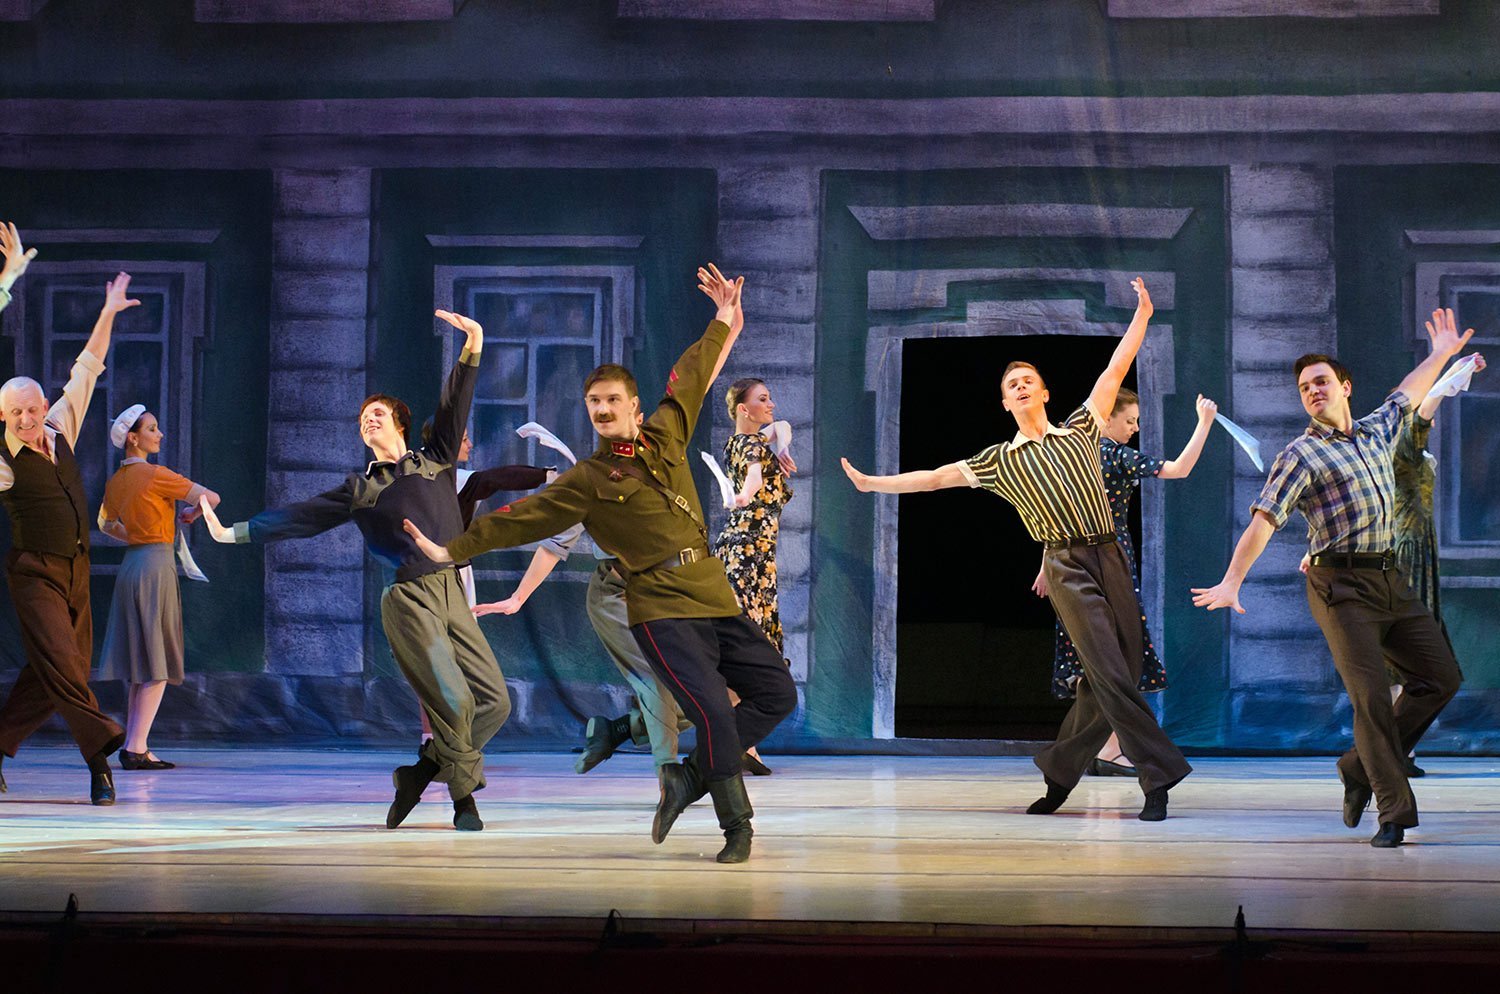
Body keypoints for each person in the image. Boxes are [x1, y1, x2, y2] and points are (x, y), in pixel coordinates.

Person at [403, 264, 797, 863]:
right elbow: (520, 519)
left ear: (635, 406)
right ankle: (736, 826)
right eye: (594, 403)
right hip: (660, 608)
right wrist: (449, 549)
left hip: (712, 594)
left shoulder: (667, 433)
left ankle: (688, 778)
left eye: (613, 400)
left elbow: (694, 373)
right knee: (714, 710)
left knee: (776, 693)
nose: (603, 410)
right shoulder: (588, 480)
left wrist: (723, 318)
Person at [843, 278, 1193, 822]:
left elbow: (1114, 369)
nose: (1022, 386)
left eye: (1030, 380)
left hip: (1111, 555)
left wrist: (1142, 316)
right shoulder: (999, 461)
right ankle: (1158, 776)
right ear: (1005, 402)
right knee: (1109, 670)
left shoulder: (1081, 430)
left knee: (1117, 671)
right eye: (1013, 384)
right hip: (1066, 565)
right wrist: (873, 484)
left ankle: (1059, 772)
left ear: (1046, 393)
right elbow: (933, 478)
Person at [200, 310, 510, 832]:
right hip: (408, 599)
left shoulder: (436, 458)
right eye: (363, 417)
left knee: (495, 702)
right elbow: (299, 518)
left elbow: (454, 402)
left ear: (400, 423)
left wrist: (474, 343)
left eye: (377, 413)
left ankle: (419, 774)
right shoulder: (360, 488)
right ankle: (464, 802)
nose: (368, 420)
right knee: (455, 702)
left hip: (452, 589)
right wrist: (234, 532)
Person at [1192, 311, 1473, 848]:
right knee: (1371, 698)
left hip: (1389, 578)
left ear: (1345, 387)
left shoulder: (1377, 430)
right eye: (1304, 388)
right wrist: (1232, 581)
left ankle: (1356, 767)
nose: (1312, 391)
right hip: (1339, 588)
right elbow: (1263, 521)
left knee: (1441, 679)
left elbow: (1408, 393)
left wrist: (1441, 354)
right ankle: (1393, 813)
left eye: (1321, 381)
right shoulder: (1300, 454)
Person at [1297, 352, 1486, 779]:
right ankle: (1390, 758)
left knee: (1420, 662)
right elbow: (1427, 403)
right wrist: (1454, 371)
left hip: (1418, 548)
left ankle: (1391, 753)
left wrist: (1453, 368)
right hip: (1397, 551)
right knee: (1390, 661)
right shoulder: (1399, 446)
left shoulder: (1402, 449)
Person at [0, 237, 136, 805]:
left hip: (76, 569)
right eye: (15, 413)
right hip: (34, 572)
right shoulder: (3, 459)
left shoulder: (59, 428)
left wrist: (107, 313)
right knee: (66, 667)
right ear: (2, 416)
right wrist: (4, 283)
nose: (28, 419)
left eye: (32, 408)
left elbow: (87, 368)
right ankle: (100, 759)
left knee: (54, 670)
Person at [1033, 389, 1218, 777]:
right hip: (1108, 561)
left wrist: (1047, 563)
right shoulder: (1114, 454)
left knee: (1095, 657)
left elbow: (1055, 512)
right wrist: (1204, 424)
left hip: (1068, 562)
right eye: (1130, 421)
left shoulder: (1072, 454)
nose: (1134, 428)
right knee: (1117, 657)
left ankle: (1101, 749)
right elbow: (1179, 469)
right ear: (1107, 419)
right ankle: (1108, 750)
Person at [96, 405, 221, 770]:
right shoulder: (156, 474)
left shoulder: (116, 480)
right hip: (154, 565)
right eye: (152, 429)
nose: (159, 434)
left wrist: (136, 536)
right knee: (157, 662)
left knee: (142, 662)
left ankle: (136, 745)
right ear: (134, 438)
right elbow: (211, 497)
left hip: (132, 565)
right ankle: (136, 747)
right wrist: (191, 514)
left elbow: (105, 524)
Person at [411, 418, 549, 751]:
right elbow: (495, 479)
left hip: (437, 575)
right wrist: (548, 475)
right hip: (441, 578)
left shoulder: (422, 476)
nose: (470, 445)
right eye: (464, 438)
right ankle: (438, 740)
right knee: (441, 659)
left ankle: (436, 739)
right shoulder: (449, 480)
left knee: (437, 659)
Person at [713, 378, 797, 776]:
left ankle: (741, 742)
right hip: (744, 559)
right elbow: (753, 477)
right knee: (743, 649)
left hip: (756, 558)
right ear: (743, 409)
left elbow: (783, 427)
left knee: (750, 647)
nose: (771, 404)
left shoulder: (754, 441)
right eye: (763, 399)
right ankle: (739, 744)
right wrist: (746, 493)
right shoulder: (748, 446)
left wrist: (782, 447)